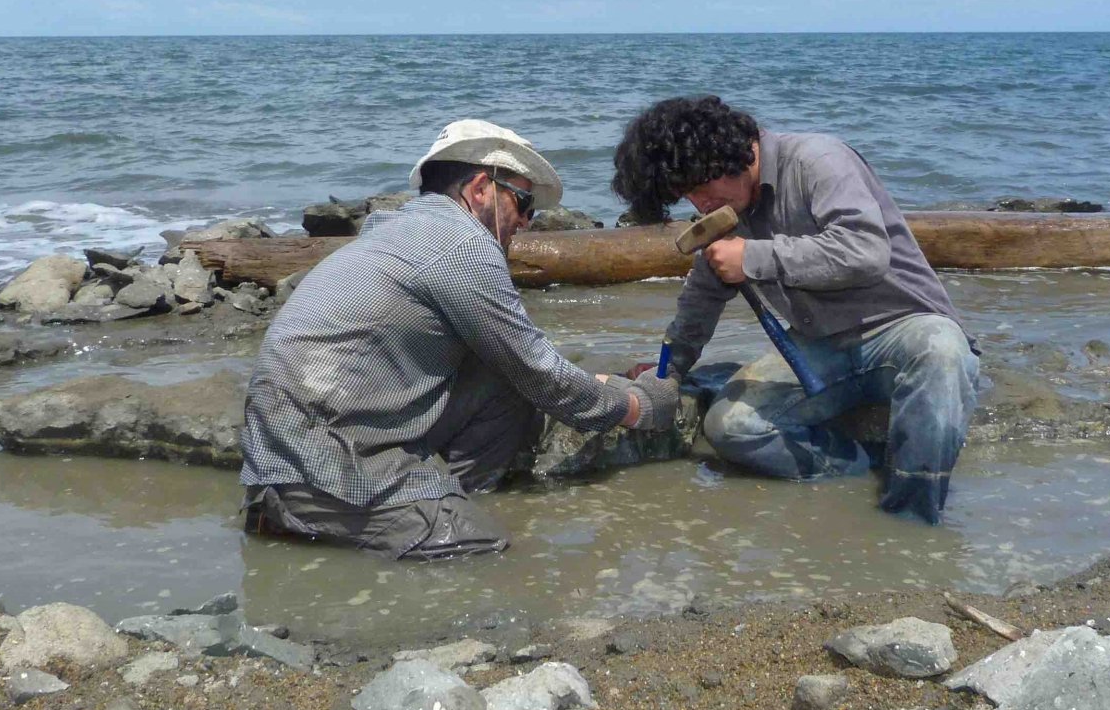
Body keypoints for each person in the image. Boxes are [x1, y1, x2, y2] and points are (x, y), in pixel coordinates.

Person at [241, 119, 681, 559]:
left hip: (306, 440)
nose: (527, 222)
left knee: (500, 379)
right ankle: (336, 517)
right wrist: (638, 407)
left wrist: (610, 380)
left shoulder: (399, 230)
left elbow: (518, 363)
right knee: (486, 551)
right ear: (479, 189)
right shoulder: (462, 245)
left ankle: (447, 498)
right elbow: (538, 370)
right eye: (523, 202)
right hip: (324, 464)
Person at [611, 95, 979, 523]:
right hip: (820, 347)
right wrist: (666, 370)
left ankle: (912, 519)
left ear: (726, 155)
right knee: (730, 427)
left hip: (906, 329)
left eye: (699, 188)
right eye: (685, 196)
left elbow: (865, 251)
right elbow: (698, 305)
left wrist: (752, 257)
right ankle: (861, 474)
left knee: (942, 350)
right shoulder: (728, 210)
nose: (699, 206)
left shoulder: (818, 161)